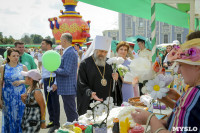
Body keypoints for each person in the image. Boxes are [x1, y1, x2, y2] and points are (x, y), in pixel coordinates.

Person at [131, 31, 200, 133]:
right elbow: (190, 120)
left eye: (181, 65)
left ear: (196, 66)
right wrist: (174, 101)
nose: (179, 71)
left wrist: (151, 119)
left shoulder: (194, 92)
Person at [77, 36, 122, 115]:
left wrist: (116, 79)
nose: (103, 54)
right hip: (92, 102)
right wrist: (90, 93)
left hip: (108, 101)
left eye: (105, 52)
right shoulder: (85, 64)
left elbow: (117, 85)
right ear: (95, 50)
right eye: (101, 51)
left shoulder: (110, 63)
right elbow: (81, 83)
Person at [53, 33, 78, 130]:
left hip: (68, 87)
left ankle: (75, 129)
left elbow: (66, 71)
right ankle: (73, 129)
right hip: (67, 87)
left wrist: (54, 69)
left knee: (71, 112)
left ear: (64, 40)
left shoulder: (70, 53)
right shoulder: (69, 52)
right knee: (69, 111)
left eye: (60, 39)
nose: (59, 41)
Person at [0, 48, 28, 133]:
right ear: (8, 56)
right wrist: (0, 98)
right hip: (7, 97)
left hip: (20, 97)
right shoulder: (3, 67)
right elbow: (1, 83)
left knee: (20, 117)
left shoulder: (23, 67)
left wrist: (21, 81)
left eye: (17, 56)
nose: (16, 58)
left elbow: (30, 81)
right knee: (8, 117)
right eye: (13, 56)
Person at [40, 39, 60, 132]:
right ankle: (52, 120)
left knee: (55, 102)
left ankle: (56, 123)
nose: (41, 45)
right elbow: (44, 70)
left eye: (43, 44)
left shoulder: (55, 55)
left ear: (48, 45)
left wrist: (55, 83)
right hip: (46, 81)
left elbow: (58, 69)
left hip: (53, 80)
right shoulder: (44, 55)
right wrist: (41, 80)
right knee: (49, 102)